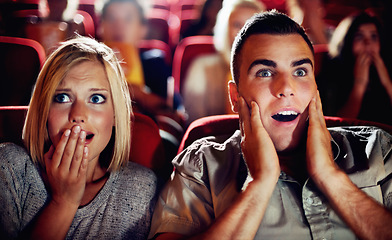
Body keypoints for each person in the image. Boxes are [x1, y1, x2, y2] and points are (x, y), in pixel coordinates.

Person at [148, 10, 392, 239]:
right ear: (235, 97)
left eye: (300, 72)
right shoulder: (200, 167)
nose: (286, 88)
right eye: (265, 72)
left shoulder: (378, 149)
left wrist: (329, 175)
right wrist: (259, 184)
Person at [0, 36, 158, 239]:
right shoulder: (9, 168)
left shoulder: (143, 188)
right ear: (44, 111)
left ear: (115, 114)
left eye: (96, 98)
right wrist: (64, 202)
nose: (78, 115)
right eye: (62, 97)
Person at [183, 0, 264, 126]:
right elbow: (195, 124)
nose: (244, 32)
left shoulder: (271, 73)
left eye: (251, 25)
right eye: (237, 25)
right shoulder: (201, 67)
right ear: (224, 29)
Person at [99, 0, 180, 118]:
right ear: (101, 26)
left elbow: (170, 112)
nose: (119, 26)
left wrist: (136, 92)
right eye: (111, 18)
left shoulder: (155, 63)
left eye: (128, 19)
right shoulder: (87, 63)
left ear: (143, 29)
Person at [318, 11, 392, 125]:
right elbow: (336, 125)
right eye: (359, 36)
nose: (368, 43)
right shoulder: (331, 73)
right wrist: (360, 84)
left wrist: (387, 83)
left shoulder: (387, 65)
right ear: (347, 41)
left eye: (373, 36)